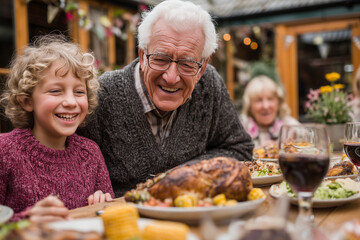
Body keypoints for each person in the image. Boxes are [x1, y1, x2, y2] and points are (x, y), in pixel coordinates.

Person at [77, 0, 253, 197]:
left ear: (202, 68)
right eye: (161, 59)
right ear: (142, 56)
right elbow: (72, 171)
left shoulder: (209, 85)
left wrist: (186, 176)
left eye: (187, 64)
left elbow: (240, 150)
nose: (171, 77)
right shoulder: (103, 94)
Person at [0, 34, 114, 223]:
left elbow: (110, 211)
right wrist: (26, 221)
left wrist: (103, 204)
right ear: (27, 101)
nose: (70, 102)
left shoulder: (91, 153)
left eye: (79, 92)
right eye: (55, 91)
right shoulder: (5, 150)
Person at [240, 75, 299, 148]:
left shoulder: (290, 125)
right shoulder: (241, 128)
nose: (265, 106)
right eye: (259, 100)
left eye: (270, 99)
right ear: (249, 106)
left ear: (278, 102)